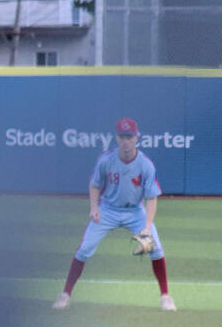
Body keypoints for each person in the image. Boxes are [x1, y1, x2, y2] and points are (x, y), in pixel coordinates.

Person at [55, 117, 173, 312]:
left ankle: (165, 296)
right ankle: (65, 294)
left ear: (137, 138)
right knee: (84, 249)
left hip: (135, 212)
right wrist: (93, 208)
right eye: (121, 136)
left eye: (129, 136)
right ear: (116, 138)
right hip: (108, 210)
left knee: (156, 249)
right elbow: (94, 185)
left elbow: (151, 199)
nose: (125, 141)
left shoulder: (145, 165)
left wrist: (146, 227)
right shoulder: (106, 160)